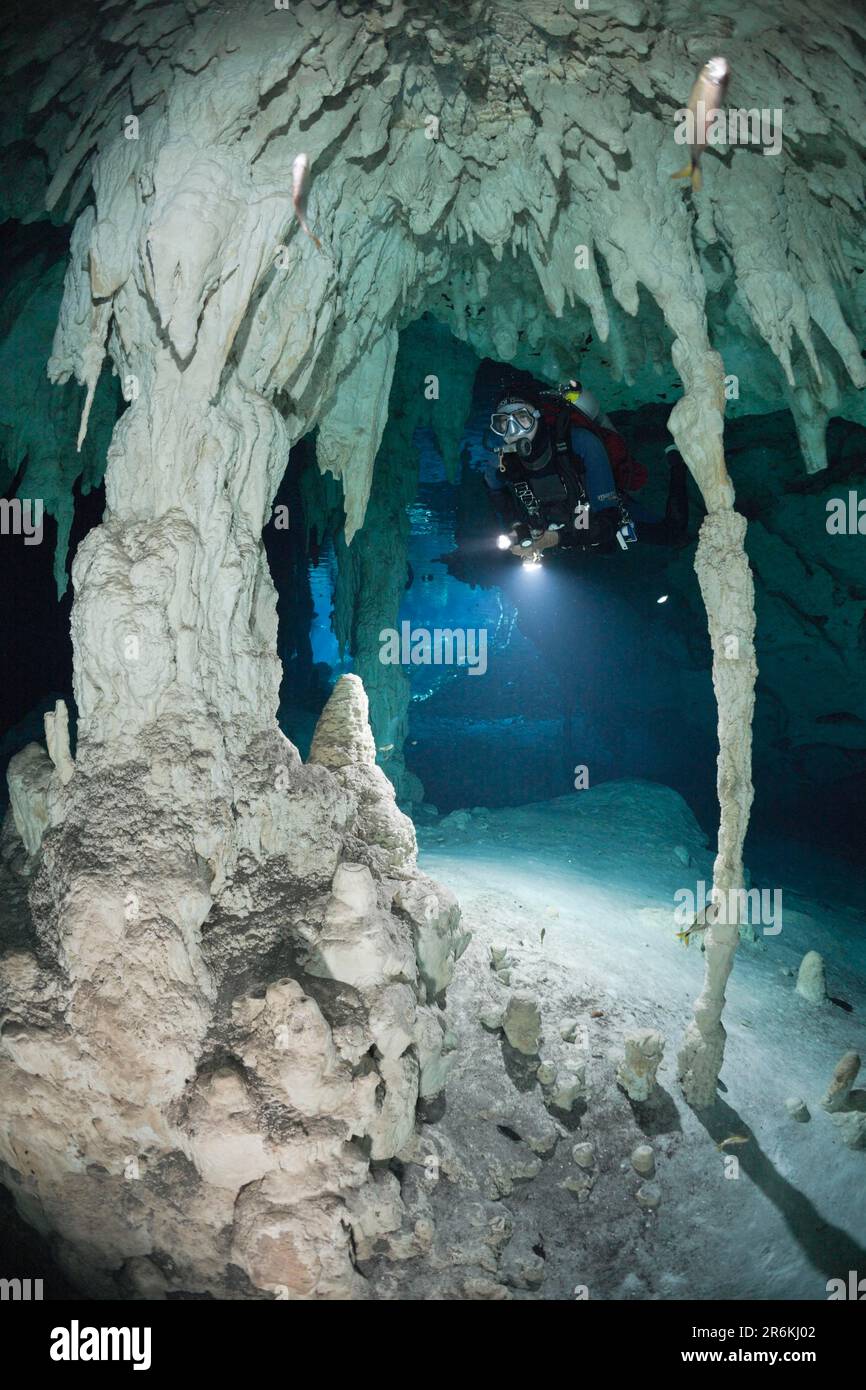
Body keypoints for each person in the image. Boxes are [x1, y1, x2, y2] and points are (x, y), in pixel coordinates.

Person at [485, 381, 687, 559]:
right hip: (565, 526)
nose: (514, 431)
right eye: (504, 423)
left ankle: (678, 463)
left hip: (596, 511)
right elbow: (497, 495)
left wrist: (554, 539)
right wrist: (516, 527)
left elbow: (609, 520)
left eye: (522, 418)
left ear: (538, 417)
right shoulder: (502, 462)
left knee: (673, 534)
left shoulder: (581, 442)